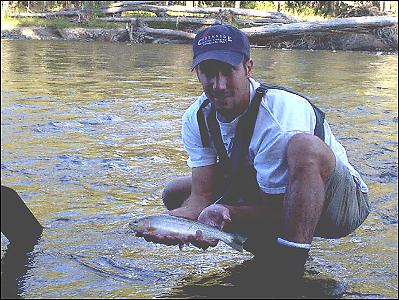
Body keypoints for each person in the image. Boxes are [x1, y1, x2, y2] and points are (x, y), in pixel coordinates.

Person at [139, 24, 370, 281]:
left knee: (304, 148)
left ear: (248, 68)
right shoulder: (196, 118)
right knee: (175, 193)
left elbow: (277, 210)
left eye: (228, 71)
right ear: (197, 73)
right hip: (274, 195)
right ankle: (270, 255)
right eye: (208, 72)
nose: (218, 84)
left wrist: (229, 212)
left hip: (340, 204)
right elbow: (200, 198)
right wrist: (174, 221)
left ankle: (289, 271)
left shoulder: (279, 116)